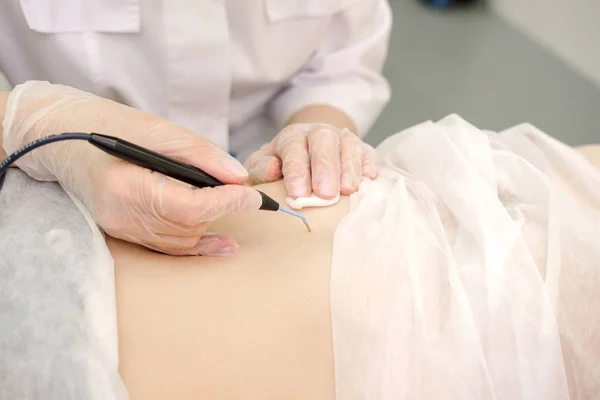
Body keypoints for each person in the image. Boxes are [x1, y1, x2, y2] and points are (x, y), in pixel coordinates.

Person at [0, 0, 392, 256]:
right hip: (58, 195)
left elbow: (341, 61)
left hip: (265, 168)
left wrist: (315, 129)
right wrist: (35, 126)